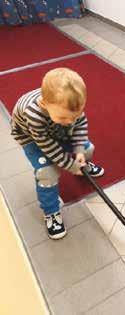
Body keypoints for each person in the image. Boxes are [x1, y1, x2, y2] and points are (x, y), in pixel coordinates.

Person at [11, 68, 104, 239]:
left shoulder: (69, 107)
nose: (70, 122)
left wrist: (78, 151)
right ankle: (51, 212)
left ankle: (83, 167)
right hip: (33, 138)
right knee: (47, 172)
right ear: (44, 104)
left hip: (54, 126)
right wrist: (69, 165)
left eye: (74, 116)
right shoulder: (34, 114)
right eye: (65, 118)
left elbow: (80, 124)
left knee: (87, 148)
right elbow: (48, 147)